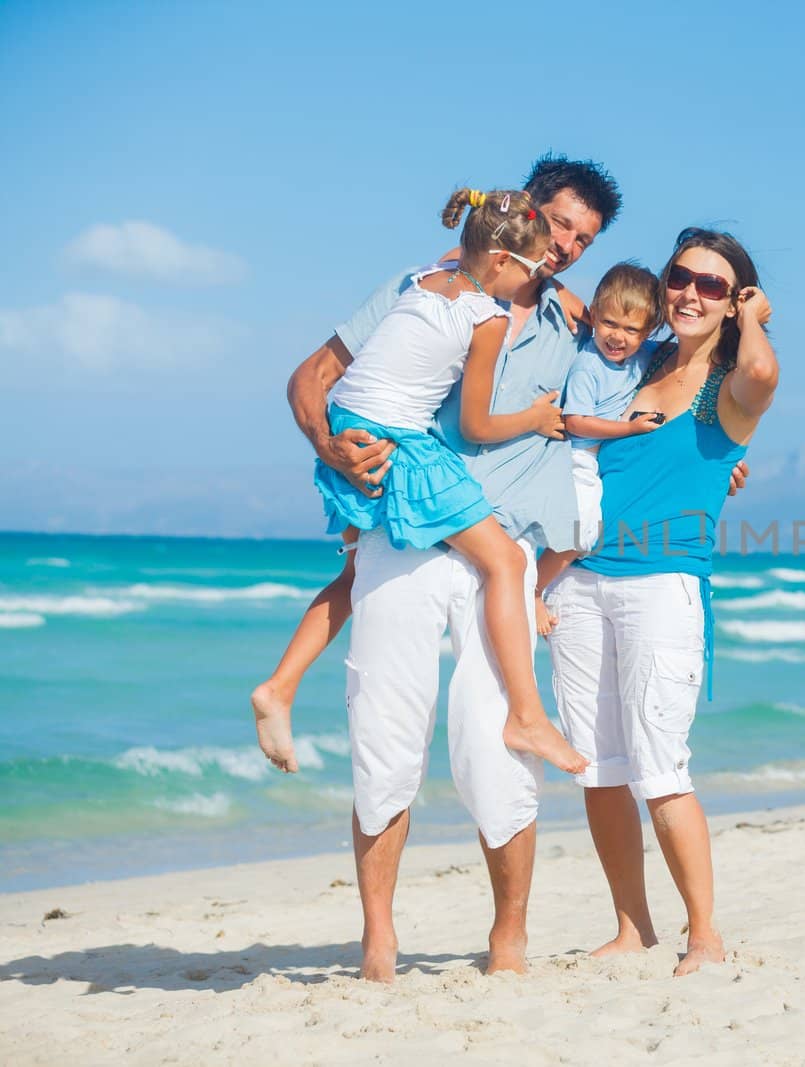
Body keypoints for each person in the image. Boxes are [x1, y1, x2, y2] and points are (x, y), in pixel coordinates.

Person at [280, 154, 624, 981]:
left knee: (497, 754)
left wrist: (720, 454)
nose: (570, 244)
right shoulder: (424, 286)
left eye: (585, 236)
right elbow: (313, 377)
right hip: (403, 543)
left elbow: (646, 388)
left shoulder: (578, 327)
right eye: (561, 223)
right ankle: (378, 940)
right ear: (523, 212)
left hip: (501, 551)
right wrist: (332, 447)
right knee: (384, 738)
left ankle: (509, 937)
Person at [264, 188, 585, 777]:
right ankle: (529, 717)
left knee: (352, 573)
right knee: (506, 565)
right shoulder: (487, 317)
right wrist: (537, 419)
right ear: (501, 263)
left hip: (352, 425)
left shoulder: (419, 282)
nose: (542, 274)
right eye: (536, 266)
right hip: (398, 446)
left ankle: (280, 687)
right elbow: (476, 424)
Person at [545, 228, 779, 976]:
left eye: (715, 285)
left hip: (661, 584)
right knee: (600, 765)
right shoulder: (632, 358)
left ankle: (703, 932)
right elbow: (569, 309)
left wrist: (755, 320)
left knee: (661, 764)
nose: (691, 292)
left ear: (735, 301)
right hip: (579, 580)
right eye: (683, 276)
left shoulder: (731, 389)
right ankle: (631, 926)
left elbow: (765, 377)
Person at [530, 261, 667, 636]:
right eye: (609, 324)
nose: (617, 337)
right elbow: (576, 422)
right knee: (583, 533)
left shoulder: (643, 355)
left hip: (596, 461)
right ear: (594, 314)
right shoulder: (589, 364)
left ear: (649, 330)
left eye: (631, 329)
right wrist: (629, 428)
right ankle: (533, 591)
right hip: (577, 456)